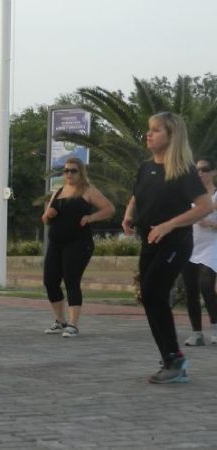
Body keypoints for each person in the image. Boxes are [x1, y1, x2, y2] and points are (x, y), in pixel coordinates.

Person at [122, 111, 211, 384]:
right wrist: (128, 215)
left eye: (156, 130)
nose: (149, 134)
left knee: (152, 291)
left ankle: (175, 359)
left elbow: (206, 206)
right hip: (149, 240)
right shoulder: (146, 167)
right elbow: (137, 195)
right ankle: (171, 358)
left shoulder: (183, 171)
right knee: (149, 297)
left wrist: (170, 225)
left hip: (175, 242)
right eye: (149, 129)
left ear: (172, 136)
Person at [41, 157, 114, 337]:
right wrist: (47, 215)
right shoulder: (57, 192)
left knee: (71, 280)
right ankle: (60, 321)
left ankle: (73, 324)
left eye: (73, 170)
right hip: (56, 243)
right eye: (66, 171)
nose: (69, 174)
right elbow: (45, 219)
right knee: (50, 281)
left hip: (79, 243)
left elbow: (109, 208)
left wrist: (91, 218)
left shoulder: (88, 191)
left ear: (81, 172)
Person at [181, 156, 217, 346]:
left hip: (212, 246)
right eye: (198, 170)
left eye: (205, 169)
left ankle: (215, 326)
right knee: (191, 290)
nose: (201, 173)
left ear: (213, 172)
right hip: (190, 246)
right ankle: (197, 333)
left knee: (206, 285)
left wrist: (210, 223)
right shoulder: (190, 197)